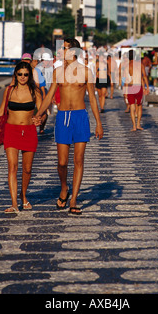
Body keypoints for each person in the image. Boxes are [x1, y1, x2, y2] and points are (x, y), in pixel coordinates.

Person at [33, 38, 103, 215]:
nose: (60, 51)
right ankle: (64, 188)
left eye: (63, 48)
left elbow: (93, 100)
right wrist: (39, 114)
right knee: (62, 162)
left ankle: (73, 200)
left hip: (80, 117)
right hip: (63, 117)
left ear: (73, 52)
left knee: (78, 160)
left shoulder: (86, 72)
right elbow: (49, 96)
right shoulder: (57, 72)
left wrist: (99, 124)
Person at [0, 61, 42, 214]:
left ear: (29, 76)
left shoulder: (35, 91)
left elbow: (42, 110)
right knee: (12, 167)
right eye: (20, 74)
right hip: (11, 131)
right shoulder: (9, 90)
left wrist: (39, 118)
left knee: (27, 170)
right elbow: (1, 111)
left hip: (29, 131)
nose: (22, 77)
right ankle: (14, 203)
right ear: (15, 74)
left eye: (26, 74)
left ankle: (23, 195)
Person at [123, 49, 149, 131]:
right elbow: (144, 76)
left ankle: (134, 126)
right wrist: (147, 87)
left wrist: (125, 91)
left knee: (132, 106)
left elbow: (126, 79)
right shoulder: (140, 64)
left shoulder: (127, 66)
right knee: (139, 106)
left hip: (131, 87)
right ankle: (138, 124)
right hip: (138, 86)